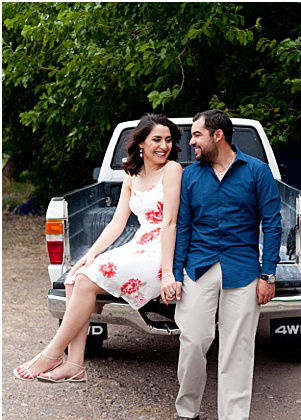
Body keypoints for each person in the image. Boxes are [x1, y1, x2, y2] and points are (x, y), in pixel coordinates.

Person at [13, 114, 183, 383]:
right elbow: (118, 222)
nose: (164, 146)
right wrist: (90, 255)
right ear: (141, 143)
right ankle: (74, 364)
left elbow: (170, 222)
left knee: (86, 281)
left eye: (168, 140)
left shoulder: (172, 170)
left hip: (162, 249)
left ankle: (52, 352)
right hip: (139, 243)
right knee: (74, 277)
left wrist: (168, 272)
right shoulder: (131, 174)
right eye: (157, 140)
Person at [171, 109, 282, 420]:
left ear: (218, 135)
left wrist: (268, 274)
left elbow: (273, 224)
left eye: (197, 135)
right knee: (193, 340)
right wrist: (175, 273)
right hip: (199, 267)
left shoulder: (256, 172)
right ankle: (187, 411)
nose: (191, 142)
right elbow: (183, 226)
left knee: (237, 347)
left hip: (242, 268)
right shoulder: (191, 176)